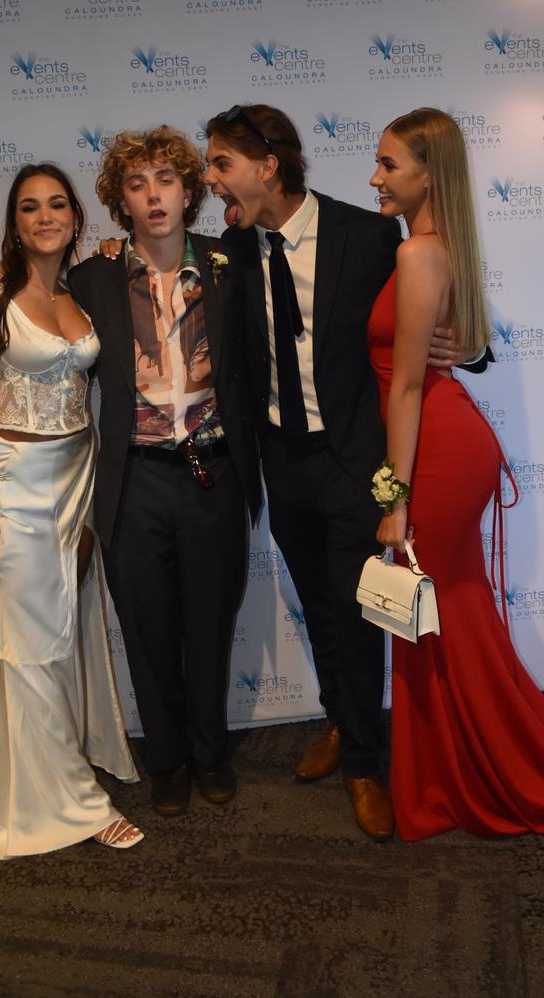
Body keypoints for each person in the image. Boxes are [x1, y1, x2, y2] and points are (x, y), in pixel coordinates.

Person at [203, 103, 489, 841]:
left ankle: (366, 762)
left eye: (221, 164)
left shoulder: (369, 235)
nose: (211, 181)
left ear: (269, 166)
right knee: (320, 608)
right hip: (281, 459)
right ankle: (338, 720)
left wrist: (472, 350)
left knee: (360, 613)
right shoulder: (231, 252)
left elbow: (418, 324)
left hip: (354, 460)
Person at [0, 163, 143, 861]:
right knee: (25, 647)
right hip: (14, 484)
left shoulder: (81, 292)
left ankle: (42, 779)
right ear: (14, 221)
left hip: (77, 480)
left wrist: (117, 254)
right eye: (30, 207)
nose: (45, 216)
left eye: (57, 204)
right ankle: (75, 803)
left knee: (61, 634)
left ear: (77, 218)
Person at [67, 127, 262, 817]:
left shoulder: (229, 263)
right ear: (120, 200)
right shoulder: (91, 278)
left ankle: (211, 754)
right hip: (134, 477)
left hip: (212, 471)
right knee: (148, 629)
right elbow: (43, 349)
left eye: (165, 180)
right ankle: (169, 760)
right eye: (136, 183)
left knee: (209, 625)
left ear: (188, 190)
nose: (154, 195)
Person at [367, 107, 544, 840]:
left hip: (436, 452)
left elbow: (406, 386)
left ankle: (495, 768)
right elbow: (460, 345)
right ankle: (459, 766)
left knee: (433, 613)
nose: (375, 177)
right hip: (447, 441)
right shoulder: (435, 248)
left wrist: (395, 498)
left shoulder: (417, 255)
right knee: (440, 616)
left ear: (427, 174)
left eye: (388, 165)